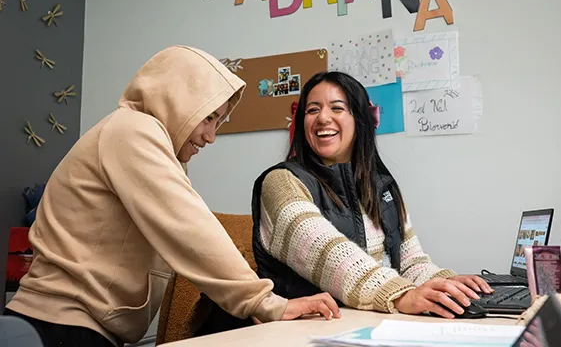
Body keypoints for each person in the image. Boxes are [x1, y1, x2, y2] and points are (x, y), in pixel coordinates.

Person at [4, 46, 339, 347]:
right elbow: (190, 229)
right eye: (208, 118)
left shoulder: (149, 143)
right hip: (59, 326)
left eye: (219, 123)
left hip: (75, 325)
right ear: (176, 99)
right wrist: (265, 303)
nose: (210, 137)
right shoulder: (133, 131)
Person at [251, 71, 494, 320]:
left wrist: (448, 284)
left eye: (337, 108)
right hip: (307, 330)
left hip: (374, 322)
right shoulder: (281, 183)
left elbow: (410, 262)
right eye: (312, 110)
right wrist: (400, 295)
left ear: (360, 119)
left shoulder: (382, 186)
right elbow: (330, 255)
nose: (323, 118)